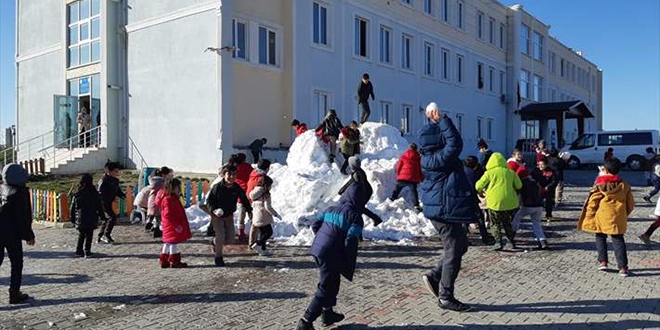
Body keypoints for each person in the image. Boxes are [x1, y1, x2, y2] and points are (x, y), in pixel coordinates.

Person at [418, 102, 475, 312]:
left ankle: (434, 276)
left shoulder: (431, 156)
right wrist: (442, 120)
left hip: (443, 207)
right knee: (453, 249)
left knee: (461, 245)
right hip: (442, 209)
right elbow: (455, 143)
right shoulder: (437, 158)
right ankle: (445, 296)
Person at [296, 178, 370, 330]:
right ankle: (305, 321)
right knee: (326, 287)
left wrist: (322, 240)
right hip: (330, 253)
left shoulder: (331, 209)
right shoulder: (355, 217)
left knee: (333, 280)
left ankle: (327, 313)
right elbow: (351, 241)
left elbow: (316, 224)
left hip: (318, 249)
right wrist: (346, 259)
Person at [578, 158, 634, 277]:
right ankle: (623, 267)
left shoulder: (599, 185)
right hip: (618, 217)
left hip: (602, 216)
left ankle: (603, 261)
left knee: (600, 237)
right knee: (618, 240)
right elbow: (631, 204)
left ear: (606, 169)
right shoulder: (624, 185)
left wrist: (589, 215)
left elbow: (592, 202)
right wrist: (624, 214)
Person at [200, 165, 253, 267]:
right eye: (229, 174)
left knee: (231, 238)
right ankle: (218, 257)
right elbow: (210, 201)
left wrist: (249, 210)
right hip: (217, 216)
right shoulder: (217, 187)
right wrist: (214, 210)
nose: (232, 177)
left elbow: (244, 199)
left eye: (234, 174)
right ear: (224, 175)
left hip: (229, 215)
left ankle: (214, 242)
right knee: (220, 236)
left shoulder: (236, 187)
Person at [0, 164, 35, 304]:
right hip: (12, 234)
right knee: (16, 263)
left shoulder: (1, 188)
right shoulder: (20, 192)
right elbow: (22, 216)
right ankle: (14, 293)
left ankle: (15, 293)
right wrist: (29, 235)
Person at [475, 152, 523, 251]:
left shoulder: (489, 173)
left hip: (494, 202)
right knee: (507, 222)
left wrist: (481, 192)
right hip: (509, 203)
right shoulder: (510, 172)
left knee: (495, 223)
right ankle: (511, 241)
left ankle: (498, 242)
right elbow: (519, 185)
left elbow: (478, 186)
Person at [156, 178, 192, 268]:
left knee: (167, 242)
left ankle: (164, 260)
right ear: (172, 188)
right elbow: (168, 215)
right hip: (172, 225)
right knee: (173, 243)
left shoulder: (170, 199)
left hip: (169, 225)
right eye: (177, 187)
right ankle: (174, 261)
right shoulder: (169, 199)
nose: (179, 189)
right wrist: (176, 225)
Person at [337, 157, 383, 227]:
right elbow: (351, 181)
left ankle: (358, 231)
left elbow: (360, 186)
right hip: (364, 191)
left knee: (358, 210)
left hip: (364, 192)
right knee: (359, 208)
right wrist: (342, 189)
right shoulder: (356, 172)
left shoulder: (358, 174)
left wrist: (360, 197)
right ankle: (376, 219)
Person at [70, 174, 106, 258]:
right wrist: (102, 216)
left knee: (81, 235)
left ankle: (79, 251)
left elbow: (72, 208)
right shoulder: (94, 193)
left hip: (80, 218)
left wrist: (73, 218)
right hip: (91, 217)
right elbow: (99, 207)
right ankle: (87, 250)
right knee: (89, 235)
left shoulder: (78, 194)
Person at [512, 168, 548, 250]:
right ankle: (543, 241)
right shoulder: (535, 182)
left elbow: (518, 195)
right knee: (536, 223)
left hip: (528, 205)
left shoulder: (522, 183)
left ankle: (512, 235)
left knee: (517, 218)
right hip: (539, 205)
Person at [463, 156, 495, 245]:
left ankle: (465, 238)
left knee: (465, 220)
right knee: (480, 218)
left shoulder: (461, 172)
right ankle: (485, 237)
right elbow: (478, 186)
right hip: (472, 198)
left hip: (462, 198)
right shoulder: (474, 174)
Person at [248, 176, 280, 256]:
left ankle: (263, 250)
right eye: (270, 185)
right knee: (269, 232)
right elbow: (268, 207)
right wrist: (275, 214)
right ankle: (258, 244)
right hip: (264, 216)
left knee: (263, 233)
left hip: (257, 216)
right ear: (267, 185)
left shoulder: (255, 192)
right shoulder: (266, 194)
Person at [97, 161, 125, 244]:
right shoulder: (103, 180)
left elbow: (117, 191)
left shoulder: (115, 180)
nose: (117, 173)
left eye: (117, 171)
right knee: (112, 217)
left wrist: (123, 196)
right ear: (108, 171)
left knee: (107, 219)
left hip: (109, 202)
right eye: (115, 171)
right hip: (103, 202)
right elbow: (100, 192)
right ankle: (106, 234)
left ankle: (100, 236)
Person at [390, 143, 423, 212]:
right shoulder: (418, 158)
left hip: (402, 178)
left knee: (397, 188)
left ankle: (392, 198)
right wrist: (421, 178)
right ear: (416, 149)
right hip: (412, 179)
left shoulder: (403, 156)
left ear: (409, 148)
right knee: (414, 192)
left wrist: (399, 174)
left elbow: (399, 166)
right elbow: (420, 169)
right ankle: (416, 205)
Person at [230, 153, 254, 240]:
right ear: (244, 159)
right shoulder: (248, 167)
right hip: (249, 193)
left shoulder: (234, 168)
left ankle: (241, 232)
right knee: (252, 213)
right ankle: (254, 230)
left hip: (239, 194)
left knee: (241, 215)